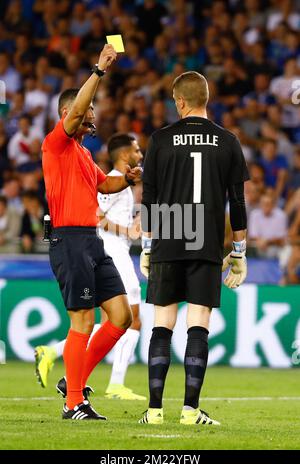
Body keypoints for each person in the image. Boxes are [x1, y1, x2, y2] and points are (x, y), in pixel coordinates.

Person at [139, 71, 249, 425]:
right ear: (206, 98)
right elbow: (239, 202)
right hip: (205, 240)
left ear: (181, 102)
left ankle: (154, 410)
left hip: (169, 236)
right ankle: (190, 410)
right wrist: (239, 253)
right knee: (198, 325)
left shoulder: (160, 139)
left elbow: (150, 199)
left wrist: (146, 245)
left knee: (162, 325)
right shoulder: (228, 140)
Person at [40, 44, 141, 421]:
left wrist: (126, 179)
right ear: (68, 115)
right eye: (87, 113)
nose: (92, 117)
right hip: (69, 240)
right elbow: (80, 106)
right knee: (82, 319)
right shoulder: (57, 144)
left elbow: (104, 187)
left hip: (92, 242)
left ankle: (74, 380)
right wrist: (98, 71)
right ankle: (73, 404)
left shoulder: (82, 153)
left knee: (120, 317)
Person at [35, 133, 146, 401]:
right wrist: (127, 230)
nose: (141, 155)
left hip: (109, 248)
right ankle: (112, 384)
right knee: (127, 317)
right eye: (137, 150)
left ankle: (60, 362)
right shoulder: (107, 176)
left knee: (117, 318)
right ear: (123, 154)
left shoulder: (120, 181)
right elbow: (97, 215)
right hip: (108, 248)